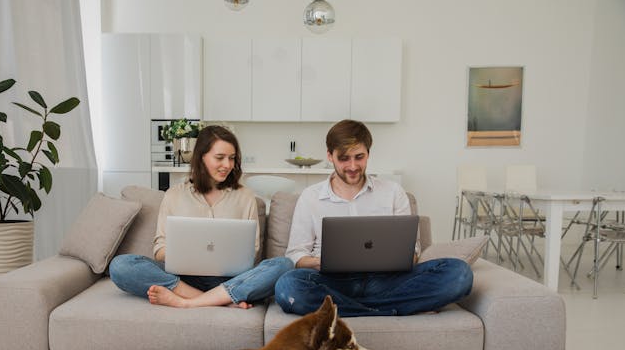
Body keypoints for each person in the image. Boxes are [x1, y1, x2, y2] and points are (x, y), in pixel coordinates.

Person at [275, 119, 473, 317]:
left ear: (368, 154)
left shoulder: (393, 192)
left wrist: (397, 259)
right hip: (333, 282)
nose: (353, 166)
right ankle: (388, 308)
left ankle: (349, 309)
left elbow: (413, 252)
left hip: (387, 281)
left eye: (359, 157)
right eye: (344, 158)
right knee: (288, 286)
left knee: (459, 273)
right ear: (330, 156)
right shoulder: (310, 196)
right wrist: (320, 262)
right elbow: (295, 254)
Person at [110, 125, 293, 309]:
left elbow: (251, 254)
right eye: (220, 158)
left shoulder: (245, 197)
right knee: (120, 265)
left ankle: (186, 302)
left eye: (232, 158)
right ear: (201, 157)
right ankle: (220, 300)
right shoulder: (174, 195)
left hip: (231, 279)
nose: (228, 165)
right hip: (183, 279)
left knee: (283, 265)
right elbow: (159, 250)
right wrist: (187, 253)